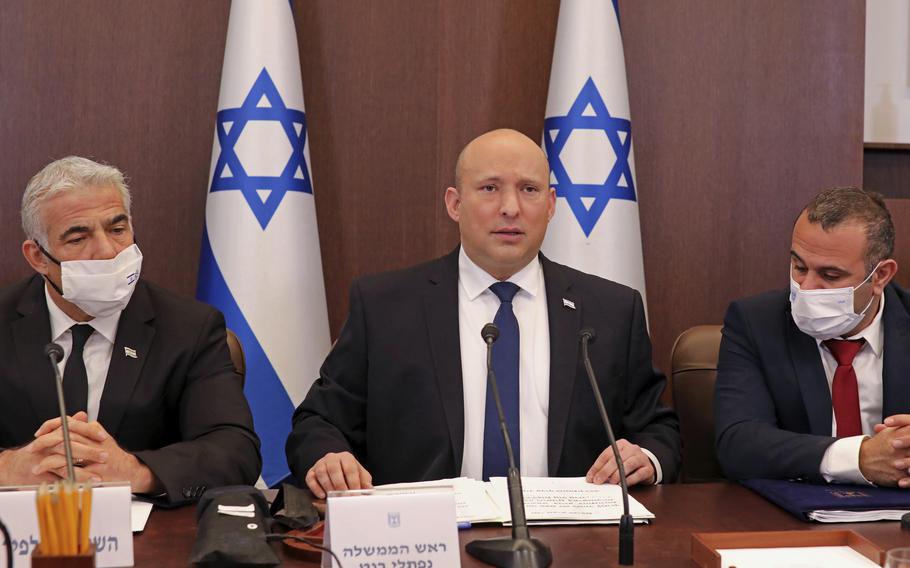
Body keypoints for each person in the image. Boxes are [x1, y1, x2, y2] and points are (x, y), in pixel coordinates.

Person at [287, 128, 680, 497]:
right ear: (455, 204)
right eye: (490, 188)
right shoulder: (384, 306)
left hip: (571, 536)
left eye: (529, 190)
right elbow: (318, 423)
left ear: (551, 205)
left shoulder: (611, 309)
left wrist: (644, 458)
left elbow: (657, 429)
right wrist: (328, 458)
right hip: (428, 537)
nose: (510, 208)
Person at [0, 156, 261, 504]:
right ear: (38, 257)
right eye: (79, 237)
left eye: (117, 229)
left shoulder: (190, 328)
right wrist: (6, 467)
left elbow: (235, 450)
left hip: (145, 538)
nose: (108, 250)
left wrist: (137, 471)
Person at [715, 186, 910, 487]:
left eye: (830, 276)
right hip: (797, 520)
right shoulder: (755, 322)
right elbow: (738, 444)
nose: (806, 287)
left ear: (880, 276)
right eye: (799, 267)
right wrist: (857, 457)